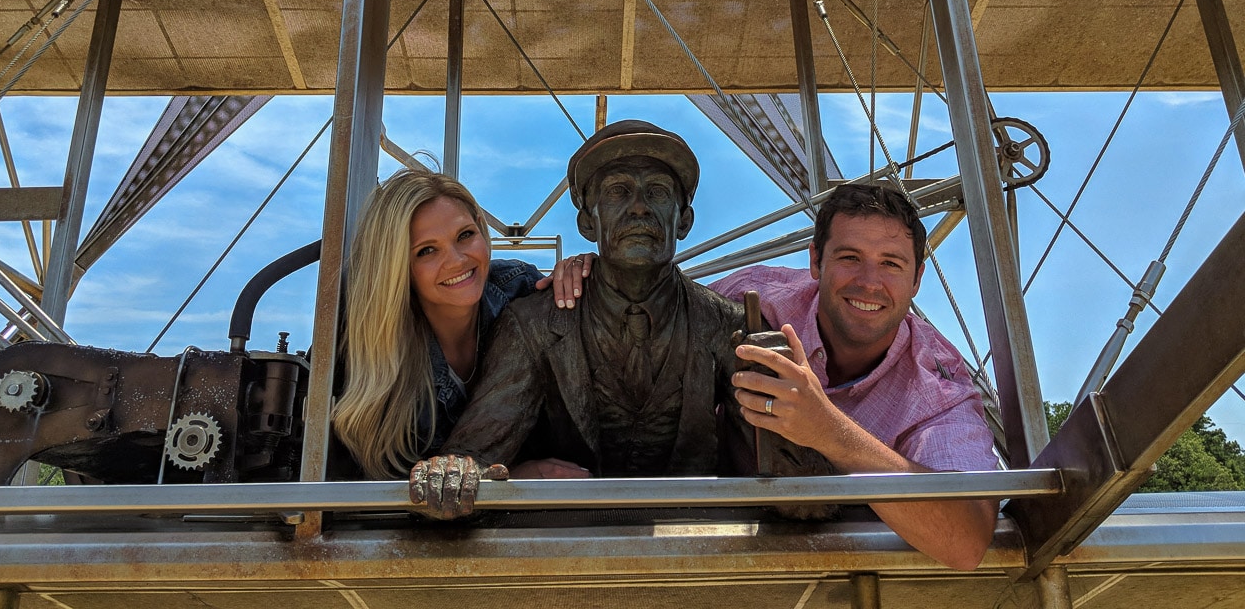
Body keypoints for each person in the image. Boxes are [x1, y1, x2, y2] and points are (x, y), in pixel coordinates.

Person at [558, 182, 998, 569]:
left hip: (832, 569)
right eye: (849, 257)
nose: (869, 282)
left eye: (891, 264)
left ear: (919, 278)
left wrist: (828, 431)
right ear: (814, 261)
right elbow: (650, 319)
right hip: (698, 534)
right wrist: (593, 280)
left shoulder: (938, 388)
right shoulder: (754, 299)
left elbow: (966, 543)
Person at [409, 120, 833, 518]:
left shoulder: (729, 327)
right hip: (566, 556)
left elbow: (805, 500)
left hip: (693, 556)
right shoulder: (533, 324)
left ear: (684, 221)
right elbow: (471, 459)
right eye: (616, 192)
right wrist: (451, 477)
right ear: (586, 222)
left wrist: (788, 410)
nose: (638, 209)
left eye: (657, 193)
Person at [330, 166, 585, 479]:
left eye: (465, 235)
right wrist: (510, 479)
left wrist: (591, 276)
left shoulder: (522, 291)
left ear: (481, 227)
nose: (457, 260)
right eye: (427, 251)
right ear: (397, 265)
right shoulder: (361, 353)